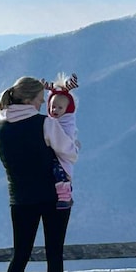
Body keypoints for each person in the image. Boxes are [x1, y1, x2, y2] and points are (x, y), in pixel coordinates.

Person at [0, 76, 79, 272]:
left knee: (20, 255)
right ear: (30, 99)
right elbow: (69, 151)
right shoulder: (46, 124)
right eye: (41, 98)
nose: (44, 103)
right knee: (54, 254)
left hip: (19, 198)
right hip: (54, 197)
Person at [44, 73, 81, 210]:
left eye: (60, 108)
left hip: (61, 156)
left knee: (59, 171)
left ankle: (65, 194)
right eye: (53, 107)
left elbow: (66, 141)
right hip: (55, 154)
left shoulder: (66, 123)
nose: (55, 110)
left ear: (67, 109)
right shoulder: (51, 122)